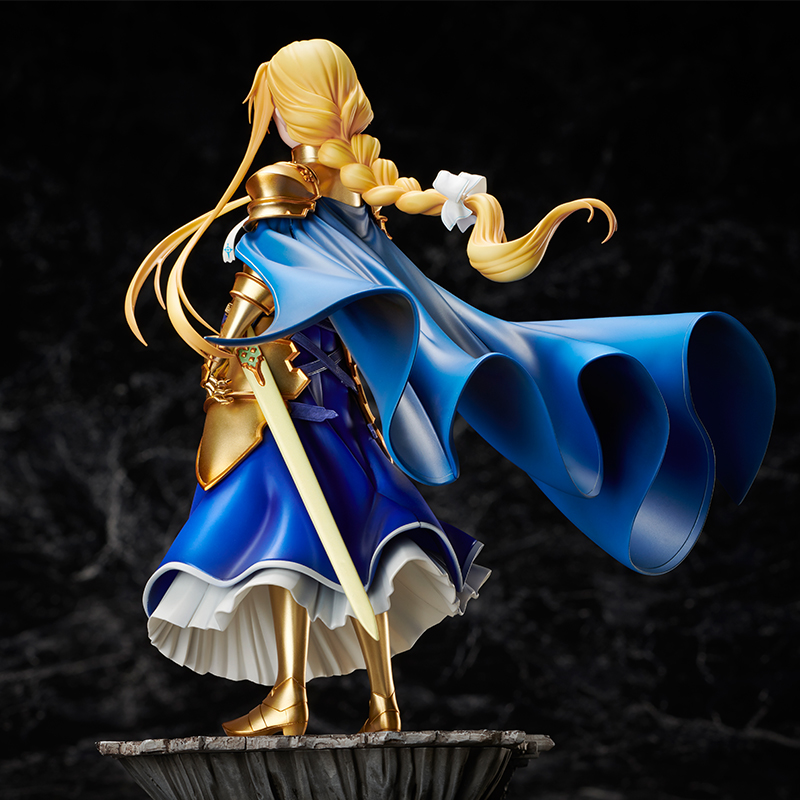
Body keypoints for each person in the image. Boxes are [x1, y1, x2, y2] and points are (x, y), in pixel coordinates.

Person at [126, 40, 774, 737]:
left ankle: (295, 697)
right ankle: (381, 703)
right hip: (342, 406)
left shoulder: (286, 190)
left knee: (289, 545)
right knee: (362, 544)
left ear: (290, 109)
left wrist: (226, 351)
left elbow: (264, 279)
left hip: (294, 405)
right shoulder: (354, 202)